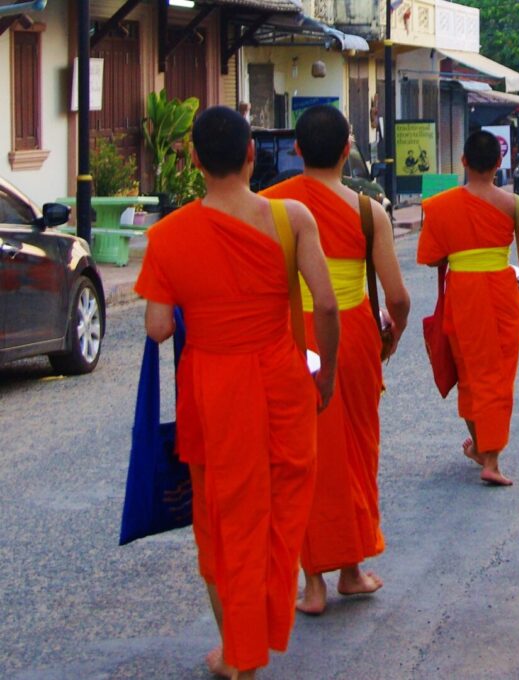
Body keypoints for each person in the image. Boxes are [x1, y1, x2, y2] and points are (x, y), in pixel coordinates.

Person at [136, 106, 340, 679]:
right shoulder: (291, 217)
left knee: (224, 521)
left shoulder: (168, 235)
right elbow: (324, 304)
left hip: (213, 390)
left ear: (194, 160)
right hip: (281, 378)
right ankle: (260, 631)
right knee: (278, 511)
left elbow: (158, 328)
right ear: (253, 154)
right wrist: (324, 373)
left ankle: (236, 651)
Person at [261, 105, 411, 615]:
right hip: (353, 336)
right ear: (348, 151)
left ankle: (314, 584)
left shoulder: (273, 206)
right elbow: (398, 297)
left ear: (297, 150)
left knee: (301, 456)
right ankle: (351, 570)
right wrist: (392, 334)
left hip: (291, 337)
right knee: (355, 451)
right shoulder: (370, 212)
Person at [418, 131, 519, 486]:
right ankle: (489, 458)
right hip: (500, 292)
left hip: (462, 294)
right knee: (498, 374)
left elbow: (431, 257)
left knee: (471, 372)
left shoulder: (440, 205)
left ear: (463, 161)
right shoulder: (514, 205)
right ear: (498, 164)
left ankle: (482, 445)